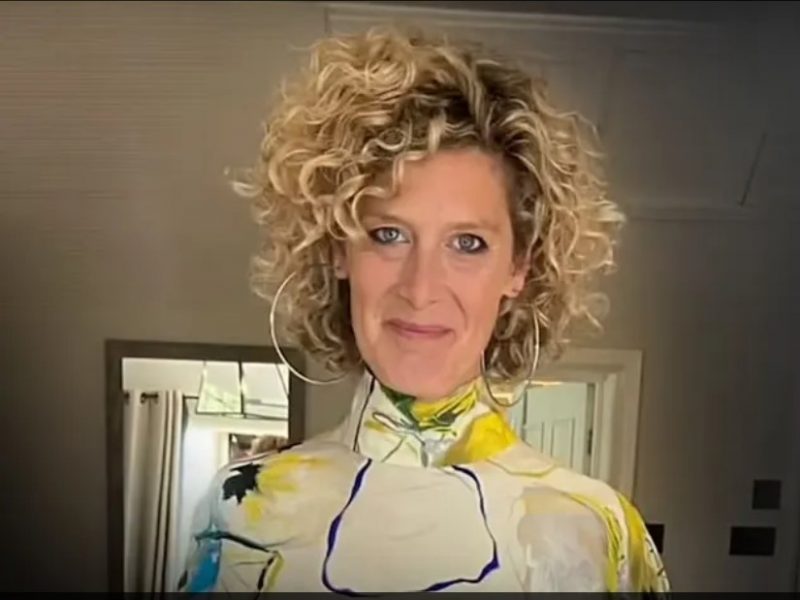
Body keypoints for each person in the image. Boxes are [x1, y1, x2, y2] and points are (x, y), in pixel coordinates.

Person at [177, 25, 670, 593]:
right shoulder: (239, 515)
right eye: (388, 234)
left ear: (519, 268)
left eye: (468, 243)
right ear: (338, 249)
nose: (421, 288)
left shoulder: (603, 536)